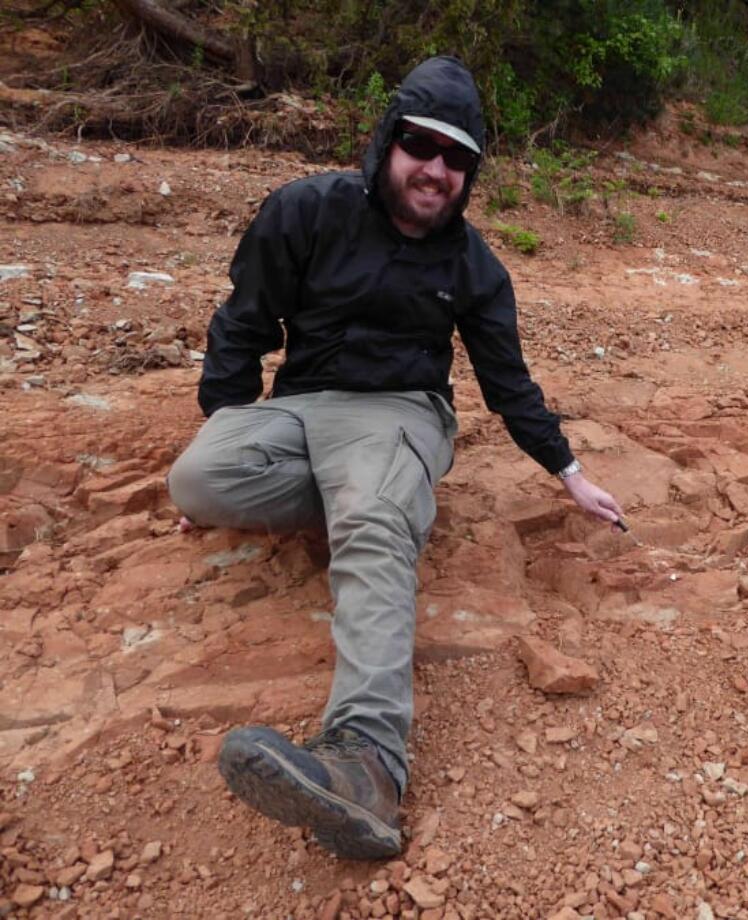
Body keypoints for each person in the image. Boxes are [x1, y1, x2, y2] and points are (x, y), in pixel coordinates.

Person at [167, 56, 623, 860]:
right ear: (387, 143)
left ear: (470, 175)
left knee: (374, 519)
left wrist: (568, 471)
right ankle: (374, 501)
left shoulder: (474, 267)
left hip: (401, 413)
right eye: (421, 145)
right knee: (198, 479)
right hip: (299, 404)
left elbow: (506, 381)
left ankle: (366, 763)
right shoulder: (304, 212)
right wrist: (224, 430)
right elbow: (241, 327)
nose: (436, 169)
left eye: (458, 159)